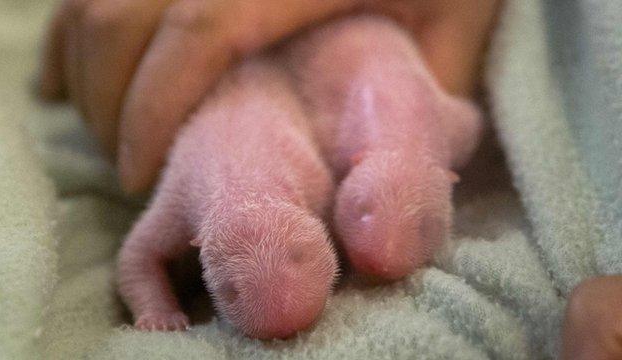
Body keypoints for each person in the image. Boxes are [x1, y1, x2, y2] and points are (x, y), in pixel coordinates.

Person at [38, 0, 622, 357]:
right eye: (231, 292)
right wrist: (152, 309)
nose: (374, 260)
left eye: (297, 254)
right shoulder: (299, 171)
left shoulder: (318, 162)